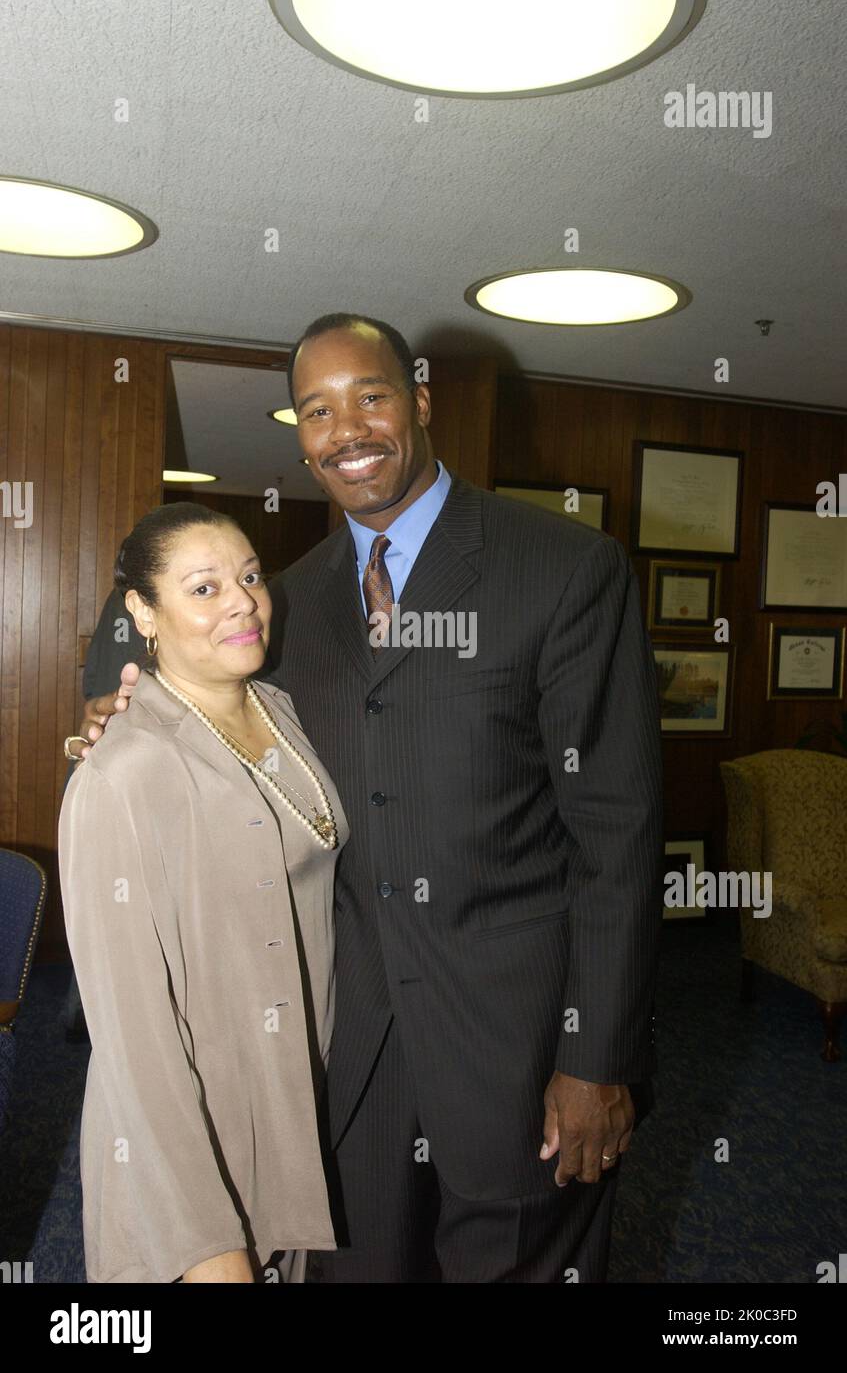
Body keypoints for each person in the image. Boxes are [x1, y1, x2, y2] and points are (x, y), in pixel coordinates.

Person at [75, 313, 663, 1283]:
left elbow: (619, 834)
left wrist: (596, 1056)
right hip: (349, 1060)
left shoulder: (562, 570)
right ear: (299, 434)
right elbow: (222, 726)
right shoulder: (285, 607)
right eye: (317, 409)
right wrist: (127, 712)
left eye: (371, 396)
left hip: (521, 1054)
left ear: (419, 404)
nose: (346, 428)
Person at [59, 502, 349, 1282]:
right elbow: (132, 1043)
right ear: (143, 613)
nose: (242, 601)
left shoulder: (281, 712)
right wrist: (208, 1242)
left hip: (289, 1101)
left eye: (250, 576)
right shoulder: (122, 771)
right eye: (203, 587)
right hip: (191, 1140)